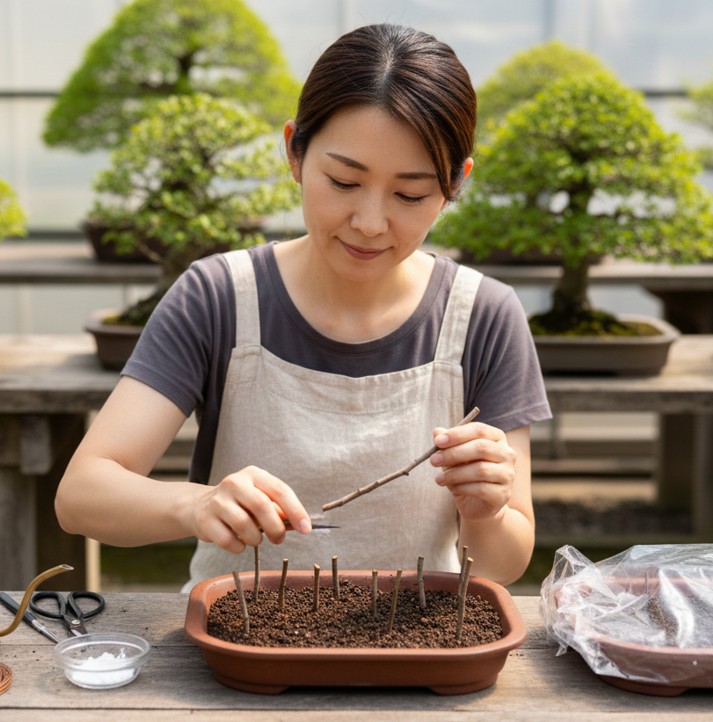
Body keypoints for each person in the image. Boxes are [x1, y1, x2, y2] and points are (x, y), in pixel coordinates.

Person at [55, 23, 552, 589]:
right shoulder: (219, 297)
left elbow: (503, 565)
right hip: (237, 635)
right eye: (343, 182)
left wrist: (486, 512)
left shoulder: (483, 316)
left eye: (410, 195)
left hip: (417, 636)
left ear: (455, 184)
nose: (370, 222)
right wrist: (196, 505)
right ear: (294, 152)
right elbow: (81, 496)